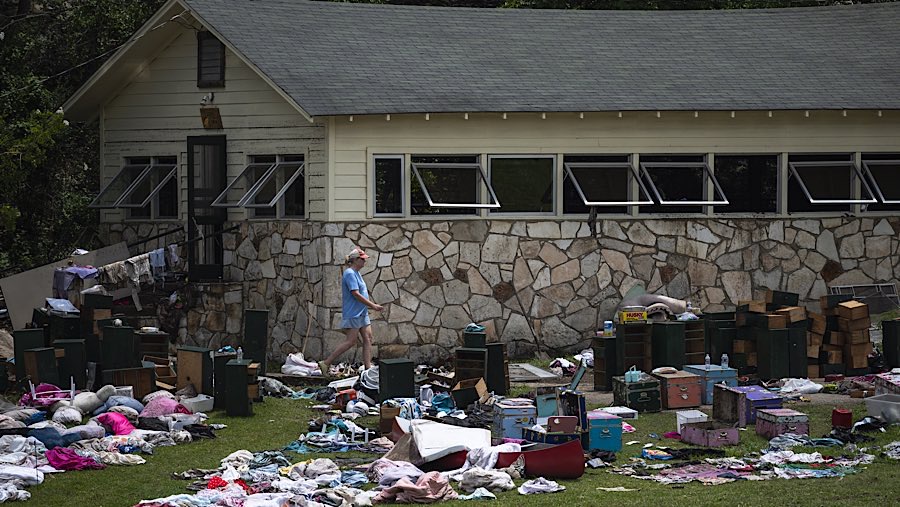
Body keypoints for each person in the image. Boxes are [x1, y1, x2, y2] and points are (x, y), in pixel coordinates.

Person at [318, 247, 383, 377]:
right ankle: (326, 362)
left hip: (362, 312)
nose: (364, 262)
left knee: (368, 338)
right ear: (355, 260)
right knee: (351, 341)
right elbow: (355, 293)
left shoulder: (357, 273)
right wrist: (373, 306)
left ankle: (367, 368)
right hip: (354, 313)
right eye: (362, 259)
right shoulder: (349, 273)